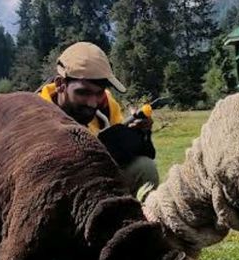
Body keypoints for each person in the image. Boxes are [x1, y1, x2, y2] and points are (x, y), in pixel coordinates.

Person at [38, 41, 159, 196]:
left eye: (99, 92)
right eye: (83, 93)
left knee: (145, 167)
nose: (93, 102)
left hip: (100, 183)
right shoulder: (36, 116)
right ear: (61, 84)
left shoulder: (107, 105)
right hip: (54, 192)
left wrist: (138, 134)